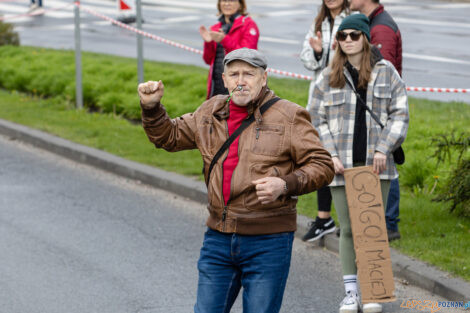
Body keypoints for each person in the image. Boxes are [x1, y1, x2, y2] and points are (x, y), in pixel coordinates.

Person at [138, 48, 335, 313]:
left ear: (263, 78)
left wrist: (285, 184)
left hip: (268, 240)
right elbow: (169, 137)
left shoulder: (289, 116)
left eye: (248, 74)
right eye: (234, 74)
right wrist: (152, 109)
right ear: (225, 79)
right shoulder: (211, 111)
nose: (240, 80)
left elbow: (322, 164)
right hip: (218, 237)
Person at [309, 14, 408, 313]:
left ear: (365, 37)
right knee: (350, 228)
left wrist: (383, 148)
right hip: (342, 167)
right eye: (343, 36)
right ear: (337, 41)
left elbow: (400, 113)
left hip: (377, 165)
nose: (348, 40)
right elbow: (315, 118)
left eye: (354, 35)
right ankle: (351, 293)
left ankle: (373, 290)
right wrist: (332, 155)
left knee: (372, 228)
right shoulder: (327, 76)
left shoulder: (386, 71)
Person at [349, 0, 403, 241]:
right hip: (371, 109)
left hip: (378, 112)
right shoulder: (374, 22)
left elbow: (384, 73)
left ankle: (389, 223)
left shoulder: (381, 28)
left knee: (385, 165)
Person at [300, 0, 350, 242]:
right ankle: (323, 219)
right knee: (323, 156)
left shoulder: (352, 18)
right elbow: (307, 58)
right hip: (321, 99)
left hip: (345, 99)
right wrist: (318, 51)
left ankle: (348, 220)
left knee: (345, 158)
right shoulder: (319, 22)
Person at [199, 0, 259, 99]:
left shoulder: (248, 25)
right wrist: (208, 42)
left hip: (240, 84)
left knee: (237, 112)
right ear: (219, 4)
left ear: (240, 4)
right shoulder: (215, 28)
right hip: (217, 84)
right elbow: (208, 60)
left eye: (231, 0)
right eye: (224, 0)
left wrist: (224, 39)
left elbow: (247, 56)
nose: (227, 4)